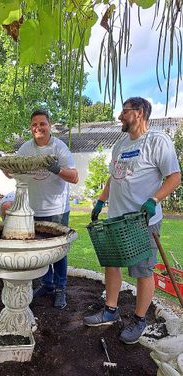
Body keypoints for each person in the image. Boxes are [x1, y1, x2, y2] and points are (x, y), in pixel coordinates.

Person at [83, 97, 181, 344]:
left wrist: (154, 200)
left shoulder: (158, 141)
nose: (119, 117)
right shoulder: (120, 144)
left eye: (124, 112)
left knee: (142, 270)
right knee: (112, 264)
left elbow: (174, 177)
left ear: (138, 113)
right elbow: (113, 177)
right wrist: (100, 200)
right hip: (116, 219)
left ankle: (139, 320)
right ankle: (110, 310)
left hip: (142, 221)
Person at [17, 109, 79, 309]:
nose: (38, 128)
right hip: (33, 208)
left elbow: (75, 177)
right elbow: (17, 173)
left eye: (42, 123)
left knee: (58, 251)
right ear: (30, 127)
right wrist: (7, 168)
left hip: (57, 209)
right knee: (39, 250)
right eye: (34, 124)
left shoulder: (59, 147)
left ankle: (61, 288)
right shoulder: (25, 148)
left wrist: (56, 169)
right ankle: (47, 284)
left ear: (49, 125)